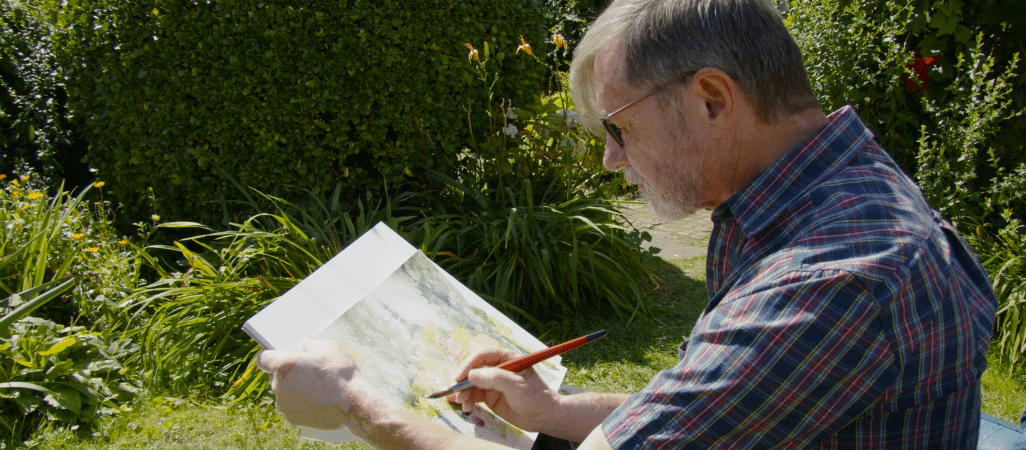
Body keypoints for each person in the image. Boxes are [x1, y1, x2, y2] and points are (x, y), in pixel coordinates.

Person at [256, 0, 999, 448]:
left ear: (711, 98)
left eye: (617, 128)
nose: (612, 161)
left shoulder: (834, 281)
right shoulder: (825, 192)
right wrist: (554, 412)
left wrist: (352, 399)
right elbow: (718, 407)